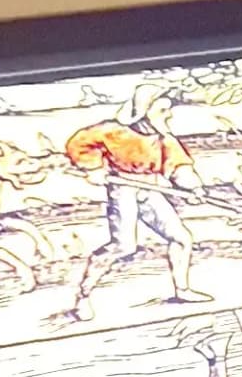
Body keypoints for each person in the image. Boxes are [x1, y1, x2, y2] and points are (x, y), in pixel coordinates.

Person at [60, 109, 199, 318]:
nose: (167, 115)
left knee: (181, 238)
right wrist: (94, 168)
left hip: (150, 188)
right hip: (123, 188)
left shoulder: (163, 138)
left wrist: (194, 188)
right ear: (143, 111)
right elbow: (79, 144)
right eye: (162, 110)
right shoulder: (113, 131)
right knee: (123, 246)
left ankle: (182, 291)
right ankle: (83, 296)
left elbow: (178, 165)